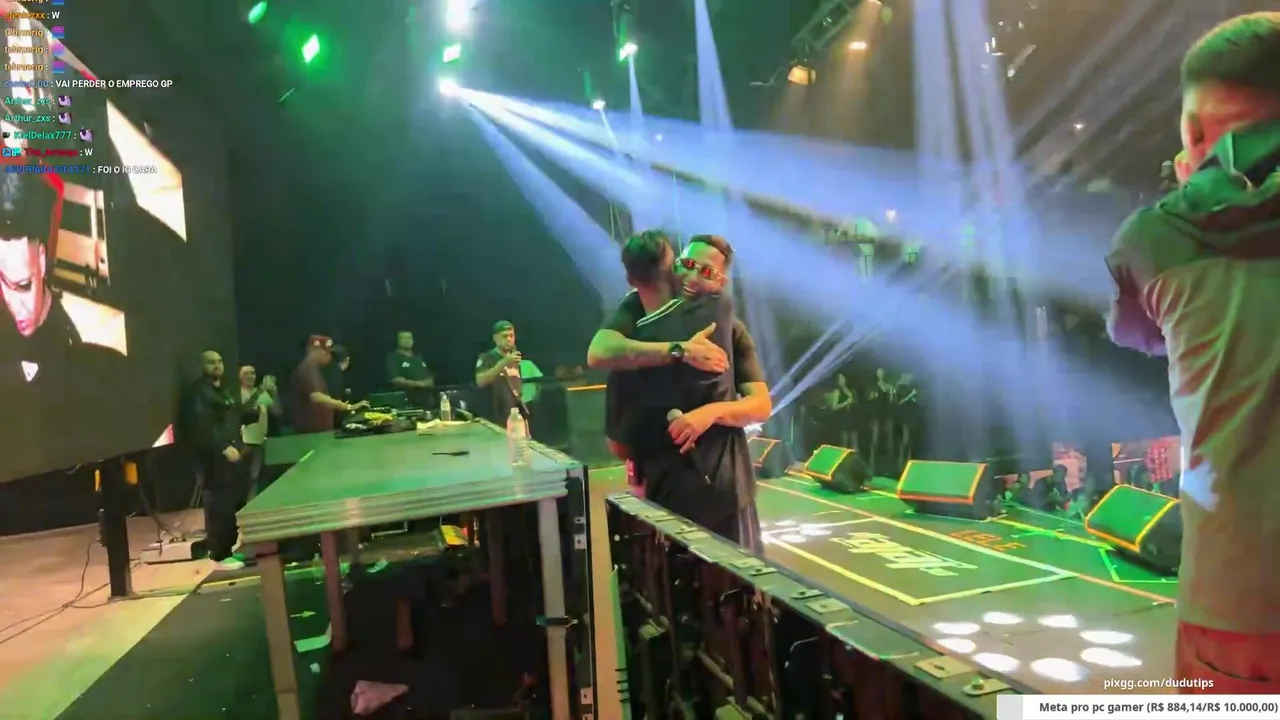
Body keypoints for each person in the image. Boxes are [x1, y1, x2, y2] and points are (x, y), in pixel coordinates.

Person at [1105, 11, 1280, 694]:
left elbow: (1137, 335)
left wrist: (1191, 188)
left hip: (1238, 603)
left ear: (1195, 133)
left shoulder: (1154, 238)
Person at [589, 233, 772, 549]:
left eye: (707, 272)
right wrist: (680, 350)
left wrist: (708, 414)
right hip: (664, 494)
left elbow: (760, 405)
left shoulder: (730, 328)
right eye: (687, 264)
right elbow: (598, 352)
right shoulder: (636, 314)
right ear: (673, 264)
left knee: (740, 576)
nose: (692, 277)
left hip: (729, 494)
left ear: (722, 282)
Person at [0, 164, 122, 480]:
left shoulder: (93, 361)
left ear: (42, 260)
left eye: (22, 285)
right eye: (3, 283)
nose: (13, 304)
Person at [177, 351, 255, 570]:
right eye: (211, 362)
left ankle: (229, 549)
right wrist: (222, 447)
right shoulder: (198, 393)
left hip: (232, 456)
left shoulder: (222, 390)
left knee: (232, 503)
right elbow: (201, 425)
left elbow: (231, 417)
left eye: (219, 361)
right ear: (202, 366)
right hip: (213, 459)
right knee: (219, 505)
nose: (217, 365)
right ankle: (219, 554)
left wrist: (252, 414)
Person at [289, 335, 367, 435]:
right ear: (314, 350)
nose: (329, 356)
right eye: (326, 352)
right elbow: (317, 397)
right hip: (310, 433)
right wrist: (348, 407)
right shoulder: (304, 370)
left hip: (321, 430)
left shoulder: (314, 370)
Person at [238, 365, 280, 499]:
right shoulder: (235, 394)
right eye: (246, 373)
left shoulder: (263, 394)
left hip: (259, 442)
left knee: (255, 477)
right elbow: (242, 413)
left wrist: (274, 394)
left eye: (252, 373)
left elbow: (277, 412)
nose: (250, 376)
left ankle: (252, 503)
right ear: (239, 376)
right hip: (240, 443)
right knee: (242, 477)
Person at [475, 321, 523, 423]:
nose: (509, 339)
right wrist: (503, 363)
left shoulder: (514, 359)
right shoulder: (487, 357)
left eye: (511, 335)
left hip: (513, 417)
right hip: (493, 418)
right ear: (495, 338)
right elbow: (480, 381)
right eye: (504, 336)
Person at [384, 331, 434, 408]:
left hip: (426, 402)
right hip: (405, 402)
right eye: (403, 338)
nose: (407, 340)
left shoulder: (418, 357)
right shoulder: (393, 358)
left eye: (409, 338)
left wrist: (425, 383)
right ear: (397, 341)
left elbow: (430, 379)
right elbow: (396, 380)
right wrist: (420, 384)